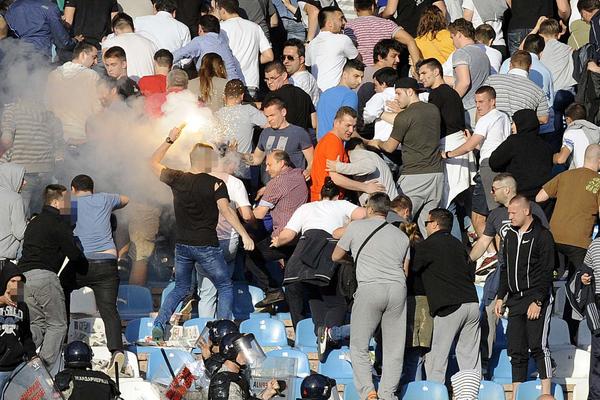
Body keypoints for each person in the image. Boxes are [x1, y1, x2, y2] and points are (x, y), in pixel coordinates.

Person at [149, 128, 254, 338]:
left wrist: (170, 139)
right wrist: (245, 234)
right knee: (224, 285)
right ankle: (224, 329)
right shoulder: (216, 183)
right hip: (207, 245)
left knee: (180, 288)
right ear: (209, 162)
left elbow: (152, 162)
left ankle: (160, 323)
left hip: (182, 246)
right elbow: (227, 211)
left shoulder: (177, 178)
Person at [469, 173, 549, 375]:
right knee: (488, 310)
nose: (491, 193)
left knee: (532, 325)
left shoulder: (531, 208)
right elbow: (483, 242)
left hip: (529, 276)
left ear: (507, 189)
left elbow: (545, 241)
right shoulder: (495, 215)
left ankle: (542, 362)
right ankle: (485, 361)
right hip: (503, 271)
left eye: (494, 189)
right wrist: (467, 261)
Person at [333, 192, 409, 400]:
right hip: (397, 289)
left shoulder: (356, 227)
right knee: (394, 348)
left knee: (359, 345)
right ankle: (387, 394)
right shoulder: (402, 236)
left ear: (369, 208)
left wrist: (355, 259)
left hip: (370, 288)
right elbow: (405, 271)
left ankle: (369, 392)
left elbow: (336, 255)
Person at [275, 178, 366, 330]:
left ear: (320, 196)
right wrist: (348, 225)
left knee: (310, 296)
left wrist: (277, 242)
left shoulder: (306, 207)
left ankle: (303, 334)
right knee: (334, 301)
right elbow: (365, 215)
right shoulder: (342, 204)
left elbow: (288, 235)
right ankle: (328, 335)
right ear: (338, 196)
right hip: (326, 252)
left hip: (301, 256)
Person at [18, 185, 86, 375]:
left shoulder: (33, 222)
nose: (69, 205)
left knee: (35, 324)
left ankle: (21, 358)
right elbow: (73, 254)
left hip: (22, 279)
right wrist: (84, 264)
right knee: (57, 324)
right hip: (44, 277)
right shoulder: (58, 223)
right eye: (66, 200)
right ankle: (43, 370)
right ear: (56, 202)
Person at [494, 195, 555, 396]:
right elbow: (505, 268)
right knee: (516, 349)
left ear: (526, 211)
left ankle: (546, 393)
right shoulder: (510, 235)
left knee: (538, 345)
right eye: (508, 212)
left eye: (513, 212)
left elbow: (547, 271)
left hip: (536, 296)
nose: (509, 216)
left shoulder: (542, 235)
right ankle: (517, 393)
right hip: (515, 298)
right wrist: (501, 295)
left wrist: (538, 300)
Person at [367, 77, 443, 236]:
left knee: (398, 220)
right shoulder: (433, 110)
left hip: (414, 176)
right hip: (437, 175)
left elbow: (389, 147)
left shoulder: (404, 117)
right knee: (428, 225)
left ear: (410, 92)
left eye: (398, 93)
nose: (396, 98)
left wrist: (378, 142)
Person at [413, 208, 481, 383]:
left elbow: (413, 271)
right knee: (470, 360)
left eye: (427, 223)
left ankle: (436, 394)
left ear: (434, 224)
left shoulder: (427, 245)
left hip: (449, 307)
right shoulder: (459, 244)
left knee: (437, 358)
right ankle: (471, 395)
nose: (426, 226)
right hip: (472, 303)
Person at [70, 175, 128, 374]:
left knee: (62, 297)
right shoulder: (104, 199)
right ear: (92, 189)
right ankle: (117, 351)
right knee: (109, 311)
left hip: (81, 263)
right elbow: (126, 199)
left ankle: (63, 344)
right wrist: (110, 206)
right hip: (107, 262)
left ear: (73, 188)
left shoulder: (71, 204)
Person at [442, 86, 511, 236]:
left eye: (481, 101)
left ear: (492, 101)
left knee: (480, 214)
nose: (478, 106)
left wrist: (447, 154)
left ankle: (491, 252)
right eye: (476, 102)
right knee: (500, 210)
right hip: (502, 166)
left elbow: (469, 146)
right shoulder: (504, 117)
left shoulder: (487, 118)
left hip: (488, 167)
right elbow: (491, 143)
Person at [245, 150, 308, 307]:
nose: (266, 169)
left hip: (282, 238)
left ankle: (273, 291)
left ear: (281, 163)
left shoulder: (277, 183)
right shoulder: (299, 175)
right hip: (301, 237)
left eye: (269, 164)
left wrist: (240, 220)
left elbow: (259, 214)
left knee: (251, 257)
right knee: (292, 280)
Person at [417, 57, 471, 239]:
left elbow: (430, 123)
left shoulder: (439, 94)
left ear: (436, 72)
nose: (421, 78)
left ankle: (453, 245)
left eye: (424, 73)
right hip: (457, 146)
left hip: (450, 148)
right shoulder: (451, 93)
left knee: (448, 204)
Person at [537, 144, 600, 279]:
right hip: (579, 241)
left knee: (556, 279)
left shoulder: (565, 175)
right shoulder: (598, 181)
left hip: (554, 237)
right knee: (585, 279)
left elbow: (539, 197)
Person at [310, 107, 385, 202]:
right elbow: (335, 178)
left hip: (327, 199)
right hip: (326, 200)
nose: (351, 130)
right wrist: (365, 187)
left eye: (354, 127)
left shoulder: (332, 140)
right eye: (348, 125)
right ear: (336, 123)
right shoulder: (333, 142)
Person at [46, 42, 102, 154]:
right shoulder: (91, 76)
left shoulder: (53, 75)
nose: (95, 62)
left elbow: (48, 107)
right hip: (81, 138)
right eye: (94, 57)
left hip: (58, 138)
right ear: (82, 55)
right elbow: (98, 110)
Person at [240, 97, 314, 180]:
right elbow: (257, 158)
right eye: (267, 116)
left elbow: (313, 160)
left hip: (291, 186)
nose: (269, 119)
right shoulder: (265, 133)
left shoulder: (299, 132)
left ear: (283, 112)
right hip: (268, 186)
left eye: (272, 115)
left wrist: (308, 171)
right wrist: (236, 155)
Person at [490, 109, 553, 200]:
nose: (512, 126)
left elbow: (494, 162)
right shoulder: (546, 145)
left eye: (514, 123)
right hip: (542, 198)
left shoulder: (514, 142)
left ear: (521, 124)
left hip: (519, 197)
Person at [217, 0, 274, 98]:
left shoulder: (221, 29)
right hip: (251, 82)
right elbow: (269, 56)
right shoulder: (255, 27)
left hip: (227, 82)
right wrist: (252, 59)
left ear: (222, 10)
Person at [215, 79, 268, 181]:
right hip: (243, 170)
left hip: (222, 171)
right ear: (242, 96)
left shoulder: (217, 114)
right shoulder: (248, 110)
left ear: (224, 96)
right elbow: (270, 124)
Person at [344, 0, 421, 68]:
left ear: (355, 9)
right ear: (373, 7)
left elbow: (349, 49)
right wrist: (417, 67)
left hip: (362, 72)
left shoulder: (350, 26)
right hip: (386, 73)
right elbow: (410, 41)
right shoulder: (387, 23)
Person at [326, 138, 398, 205]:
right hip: (389, 203)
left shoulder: (357, 152)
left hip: (381, 205)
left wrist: (339, 167)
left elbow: (369, 167)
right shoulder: (375, 157)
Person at [172, 14, 244, 82]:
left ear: (200, 28)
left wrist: (164, 62)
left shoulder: (200, 41)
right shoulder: (223, 42)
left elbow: (179, 54)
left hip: (215, 84)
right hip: (234, 83)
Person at [483, 51, 549, 124]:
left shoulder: (491, 80)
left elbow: (481, 105)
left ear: (510, 64)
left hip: (492, 128)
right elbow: (544, 119)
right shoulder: (538, 91)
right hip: (519, 132)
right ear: (530, 67)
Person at [208, 333, 279, 400]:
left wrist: (266, 394)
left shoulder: (237, 376)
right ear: (232, 354)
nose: (248, 354)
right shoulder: (227, 383)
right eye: (244, 351)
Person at [447, 18, 490, 128]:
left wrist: (450, 102)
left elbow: (464, 82)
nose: (452, 42)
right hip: (483, 107)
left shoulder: (461, 53)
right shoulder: (483, 54)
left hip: (468, 109)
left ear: (459, 34)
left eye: (452, 37)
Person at [0, 263, 37, 393]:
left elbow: (26, 335)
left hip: (18, 365)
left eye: (19, 282)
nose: (16, 285)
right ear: (4, 282)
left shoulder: (22, 306)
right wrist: (2, 300)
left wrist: (32, 355)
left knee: (39, 390)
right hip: (0, 368)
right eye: (12, 281)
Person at [305, 6, 359, 92]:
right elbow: (358, 59)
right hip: (336, 92)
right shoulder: (342, 39)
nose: (344, 23)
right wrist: (353, 44)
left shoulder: (311, 44)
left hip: (316, 93)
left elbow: (307, 65)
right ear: (330, 23)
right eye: (340, 19)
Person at [4, 0, 79, 58]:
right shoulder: (50, 8)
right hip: (40, 56)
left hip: (15, 55)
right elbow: (63, 42)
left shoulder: (12, 8)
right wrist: (75, 41)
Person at [262, 61, 316, 133]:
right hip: (301, 138)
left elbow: (266, 122)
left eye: (272, 78)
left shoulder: (272, 97)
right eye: (267, 79)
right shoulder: (304, 94)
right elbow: (314, 123)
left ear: (284, 75)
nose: (269, 82)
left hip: (282, 139)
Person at [317, 59, 364, 140]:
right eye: (356, 76)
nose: (359, 81)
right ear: (345, 74)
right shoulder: (350, 95)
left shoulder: (325, 93)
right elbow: (348, 126)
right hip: (338, 145)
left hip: (321, 145)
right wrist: (366, 142)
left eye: (361, 77)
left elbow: (318, 124)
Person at [54, 341, 120, 400]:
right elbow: (115, 395)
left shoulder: (65, 377)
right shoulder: (105, 378)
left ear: (66, 357)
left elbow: (53, 396)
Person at [101, 12, 158, 80]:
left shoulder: (108, 43)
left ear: (115, 29)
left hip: (125, 88)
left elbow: (109, 71)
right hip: (149, 87)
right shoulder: (151, 43)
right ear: (133, 28)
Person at [553, 103, 600, 169]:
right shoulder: (597, 129)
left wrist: (553, 157)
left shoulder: (571, 132)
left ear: (568, 119)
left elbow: (561, 159)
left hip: (581, 174)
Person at [362, 67, 399, 144]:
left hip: (383, 142)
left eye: (375, 85)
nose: (374, 89)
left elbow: (369, 113)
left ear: (383, 84)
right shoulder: (403, 96)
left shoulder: (380, 96)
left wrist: (378, 114)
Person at [0, 164, 26, 269]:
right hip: (3, 258)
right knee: (16, 285)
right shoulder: (15, 198)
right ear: (11, 177)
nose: (25, 182)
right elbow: (20, 233)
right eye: (22, 178)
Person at [282, 39, 320, 106]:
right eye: (283, 57)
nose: (285, 61)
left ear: (301, 59)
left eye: (290, 58)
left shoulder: (298, 81)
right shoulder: (307, 77)